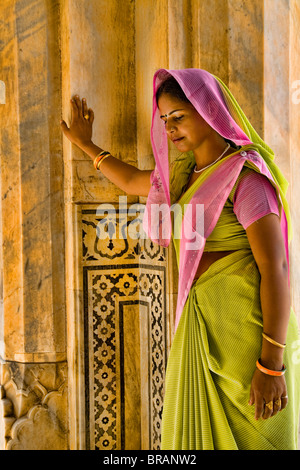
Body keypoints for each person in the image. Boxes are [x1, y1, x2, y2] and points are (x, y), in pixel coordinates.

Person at [60, 68, 300, 450]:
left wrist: (271, 363)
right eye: (165, 120)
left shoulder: (246, 178)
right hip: (200, 325)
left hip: (245, 336)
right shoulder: (185, 175)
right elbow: (135, 181)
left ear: (208, 110)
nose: (170, 129)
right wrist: (88, 146)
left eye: (179, 117)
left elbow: (276, 268)